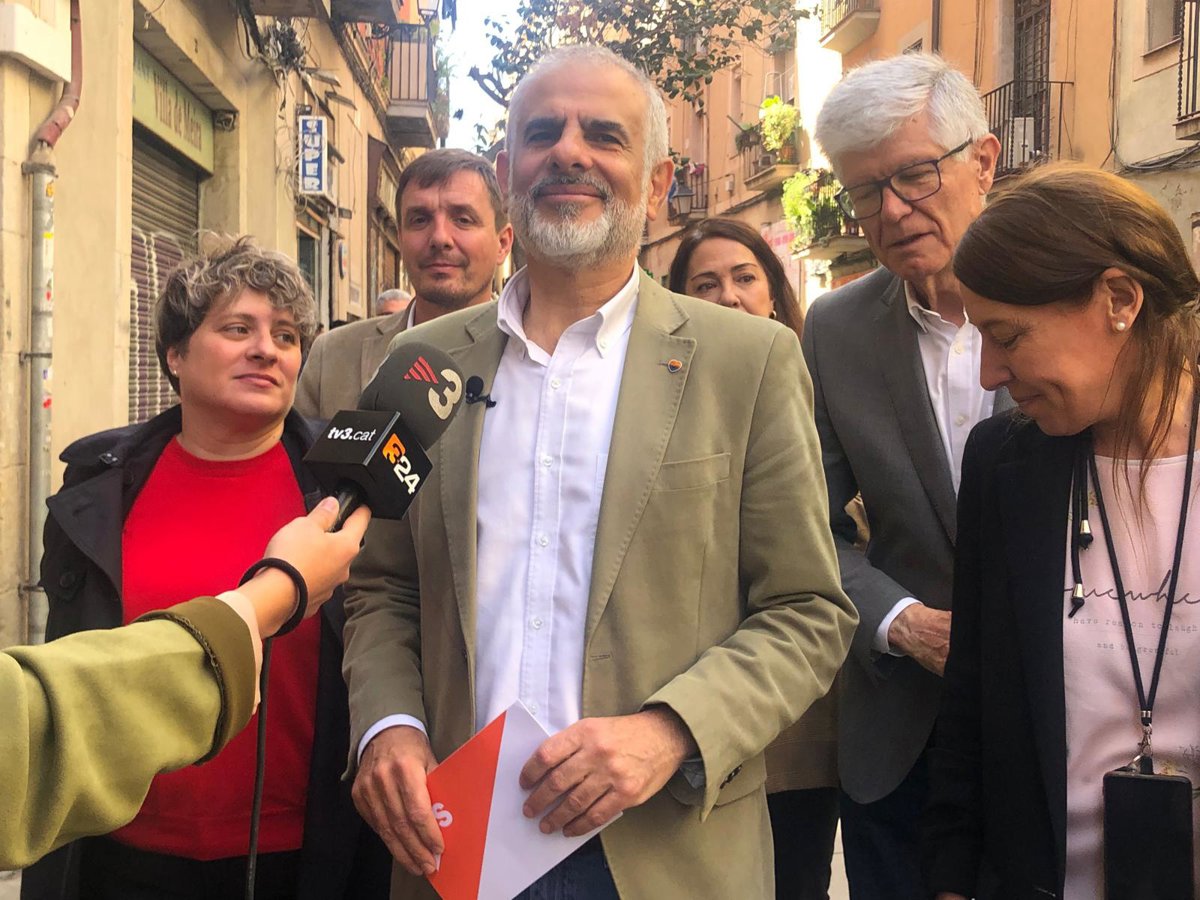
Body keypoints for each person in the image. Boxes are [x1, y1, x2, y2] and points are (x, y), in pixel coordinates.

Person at [342, 44, 856, 900]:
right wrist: (388, 724)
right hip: (457, 846)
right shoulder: (419, 364)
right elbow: (382, 584)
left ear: (656, 182)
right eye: (543, 133)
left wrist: (670, 731)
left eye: (605, 136)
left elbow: (808, 610)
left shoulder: (750, 361)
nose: (570, 153)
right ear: (507, 173)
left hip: (669, 851)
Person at [22, 237, 389, 900]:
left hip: (299, 856)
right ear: (175, 353)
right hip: (120, 851)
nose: (267, 350)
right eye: (237, 329)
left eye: (286, 336)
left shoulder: (344, 493)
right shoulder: (97, 491)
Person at [925, 165, 1200, 898]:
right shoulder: (1003, 464)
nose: (990, 374)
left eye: (1007, 336)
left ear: (1119, 300)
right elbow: (971, 704)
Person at [802, 52, 1011, 900]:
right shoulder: (835, 329)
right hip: (900, 737)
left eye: (915, 175)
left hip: (1063, 718)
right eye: (864, 190)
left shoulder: (1071, 300)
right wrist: (901, 622)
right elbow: (805, 527)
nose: (890, 211)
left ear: (983, 161)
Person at [1, 499, 370, 871]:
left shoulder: (332, 491)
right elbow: (26, 740)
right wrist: (273, 595)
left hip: (296, 847)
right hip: (118, 849)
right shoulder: (100, 486)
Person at [668, 217, 838, 900]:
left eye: (744, 278)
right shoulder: (655, 399)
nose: (729, 296)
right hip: (685, 694)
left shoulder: (813, 384)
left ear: (774, 291)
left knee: (795, 876)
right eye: (705, 284)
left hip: (792, 708)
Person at [294, 149, 514, 420]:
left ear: (503, 243)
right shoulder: (332, 357)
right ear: (400, 239)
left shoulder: (532, 359)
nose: (439, 238)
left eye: (463, 220)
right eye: (420, 220)